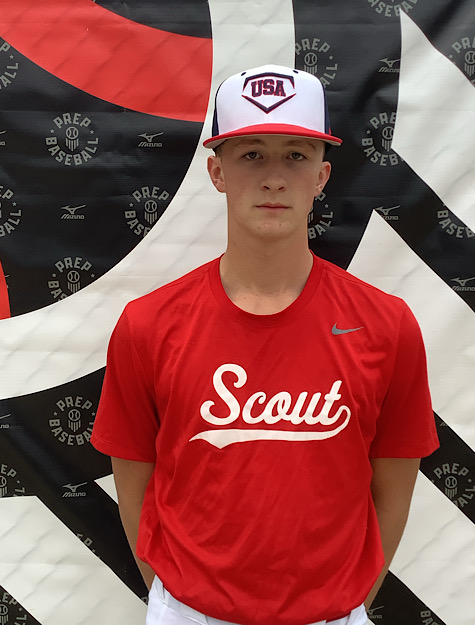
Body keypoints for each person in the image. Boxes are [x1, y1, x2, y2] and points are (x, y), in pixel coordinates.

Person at [91, 65, 439, 625]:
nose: (274, 178)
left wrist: (350, 601)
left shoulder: (386, 324)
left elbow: (394, 488)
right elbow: (134, 482)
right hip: (189, 612)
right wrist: (174, 597)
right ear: (217, 171)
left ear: (322, 175)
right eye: (251, 154)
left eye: (295, 156)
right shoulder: (148, 325)